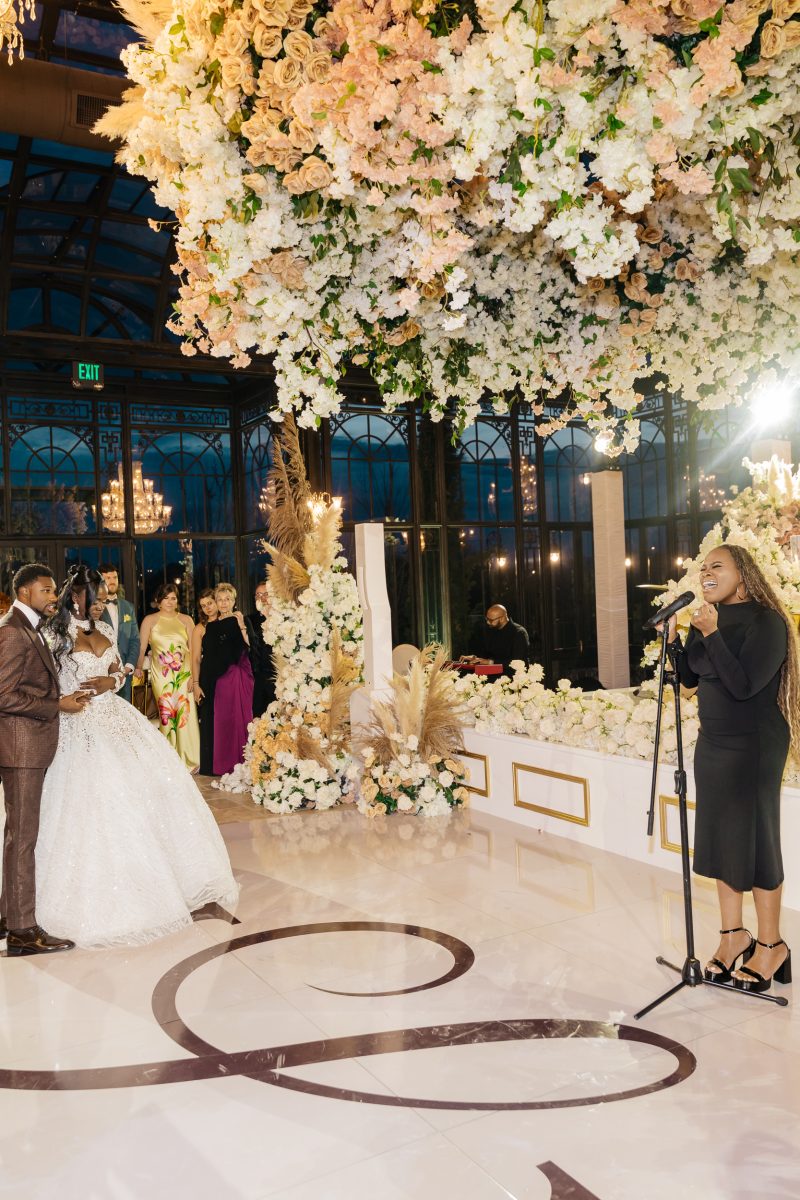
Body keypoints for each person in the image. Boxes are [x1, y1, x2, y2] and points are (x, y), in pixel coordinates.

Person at [33, 565, 238, 948]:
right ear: (75, 596)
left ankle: (166, 878)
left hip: (115, 717)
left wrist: (115, 679)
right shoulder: (53, 634)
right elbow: (38, 682)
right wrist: (61, 701)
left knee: (150, 790)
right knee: (93, 800)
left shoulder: (106, 631)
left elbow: (120, 670)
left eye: (104, 600)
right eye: (95, 600)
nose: (100, 607)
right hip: (76, 724)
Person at [666, 544, 797, 993]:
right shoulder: (709, 619)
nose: (706, 572)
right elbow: (688, 678)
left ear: (743, 574)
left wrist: (712, 632)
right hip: (714, 745)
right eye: (703, 567)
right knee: (723, 839)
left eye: (716, 566)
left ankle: (771, 945)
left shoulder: (768, 623)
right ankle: (731, 936)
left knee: (757, 840)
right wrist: (676, 642)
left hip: (755, 746)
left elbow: (742, 686)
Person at [0, 563, 91, 956]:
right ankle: (22, 930)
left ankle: (8, 916)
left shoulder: (27, 627)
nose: (55, 596)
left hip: (26, 746)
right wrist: (58, 704)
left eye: (55, 591)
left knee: (17, 836)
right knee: (23, 838)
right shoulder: (13, 632)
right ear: (24, 593)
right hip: (21, 748)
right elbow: (3, 695)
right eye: (47, 591)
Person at [134, 583, 200, 772]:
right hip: (161, 676)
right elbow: (141, 647)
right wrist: (138, 666)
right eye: (166, 598)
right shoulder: (150, 620)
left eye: (173, 598)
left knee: (185, 713)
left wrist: (194, 678)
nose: (170, 602)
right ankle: (170, 760)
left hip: (185, 673)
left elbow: (195, 650)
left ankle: (190, 759)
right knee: (166, 715)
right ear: (158, 601)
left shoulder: (186, 620)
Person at [197, 583, 254, 776]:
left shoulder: (240, 619)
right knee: (223, 721)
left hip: (236, 676)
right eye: (219, 599)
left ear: (233, 601)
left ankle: (241, 762)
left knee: (238, 719)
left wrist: (242, 626)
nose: (223, 603)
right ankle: (225, 763)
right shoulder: (211, 626)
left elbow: (249, 645)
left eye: (227, 599)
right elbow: (210, 655)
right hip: (218, 679)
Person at [99, 563, 140, 703]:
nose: (112, 581)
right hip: (102, 673)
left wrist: (129, 666)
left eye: (114, 577)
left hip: (125, 674)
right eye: (108, 578)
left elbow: (135, 639)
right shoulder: (94, 608)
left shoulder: (128, 607)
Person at [192, 589, 218, 775]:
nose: (207, 608)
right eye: (203, 605)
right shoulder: (200, 628)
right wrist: (195, 684)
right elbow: (195, 659)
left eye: (210, 603)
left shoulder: (231, 620)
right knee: (208, 719)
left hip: (229, 677)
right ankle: (210, 766)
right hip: (208, 677)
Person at [463, 604, 530, 677]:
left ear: (502, 618)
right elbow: (486, 655)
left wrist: (490, 662)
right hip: (492, 677)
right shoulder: (491, 631)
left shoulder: (519, 633)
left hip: (514, 679)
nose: (488, 622)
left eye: (491, 620)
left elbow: (518, 662)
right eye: (487, 619)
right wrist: (475, 658)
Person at [245, 580, 275, 719]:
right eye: (258, 595)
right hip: (257, 677)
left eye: (265, 594)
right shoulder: (249, 620)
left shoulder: (282, 617)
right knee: (259, 718)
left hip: (277, 675)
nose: (262, 598)